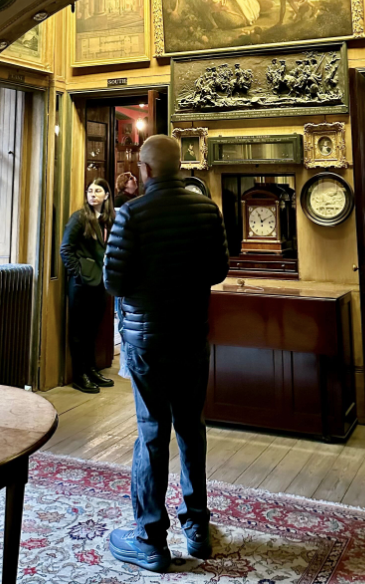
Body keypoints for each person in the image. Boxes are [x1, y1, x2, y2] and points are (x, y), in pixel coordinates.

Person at [104, 135, 229, 573]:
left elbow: (114, 282)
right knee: (191, 429)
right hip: (192, 335)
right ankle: (198, 530)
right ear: (179, 166)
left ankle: (150, 541)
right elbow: (218, 270)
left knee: (152, 432)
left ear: (147, 169)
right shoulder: (206, 210)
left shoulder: (132, 214)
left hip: (147, 340)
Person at [60, 178, 115, 394]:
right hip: (81, 284)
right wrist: (79, 274)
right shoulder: (79, 217)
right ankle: (80, 375)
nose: (92, 194)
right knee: (79, 331)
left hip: (101, 282)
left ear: (106, 196)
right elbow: (66, 249)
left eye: (98, 190)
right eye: (90, 191)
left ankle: (92, 370)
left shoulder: (108, 219)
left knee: (93, 329)